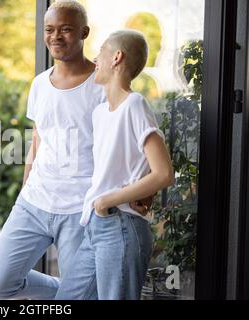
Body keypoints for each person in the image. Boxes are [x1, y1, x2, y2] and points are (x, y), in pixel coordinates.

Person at [0, 1, 151, 300]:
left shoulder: (103, 84)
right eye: (49, 29)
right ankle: (63, 293)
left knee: (79, 296)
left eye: (66, 30)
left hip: (80, 210)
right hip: (34, 203)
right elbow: (38, 139)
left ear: (84, 33)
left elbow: (133, 138)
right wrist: (26, 187)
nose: (56, 36)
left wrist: (143, 189)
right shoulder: (39, 85)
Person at [54, 30, 175, 300]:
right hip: (95, 226)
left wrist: (107, 200)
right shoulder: (99, 113)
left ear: (116, 57)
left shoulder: (134, 104)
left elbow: (164, 173)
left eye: (101, 53)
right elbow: (124, 164)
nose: (95, 59)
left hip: (120, 224)